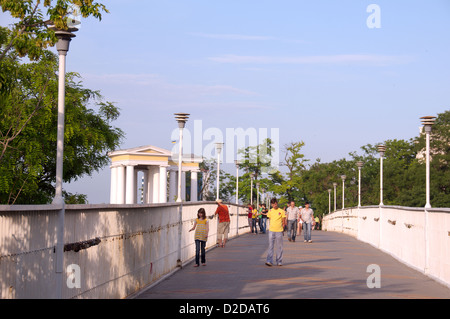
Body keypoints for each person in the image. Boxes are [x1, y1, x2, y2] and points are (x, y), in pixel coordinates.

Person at [265, 198, 286, 267]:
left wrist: (283, 229)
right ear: (271, 204)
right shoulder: (270, 211)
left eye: (275, 204)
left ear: (277, 203)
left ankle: (279, 261)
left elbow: (283, 221)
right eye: (273, 204)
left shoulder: (281, 211)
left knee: (279, 246)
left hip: (279, 230)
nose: (274, 205)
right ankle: (269, 260)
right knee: (271, 245)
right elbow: (270, 219)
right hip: (271, 230)